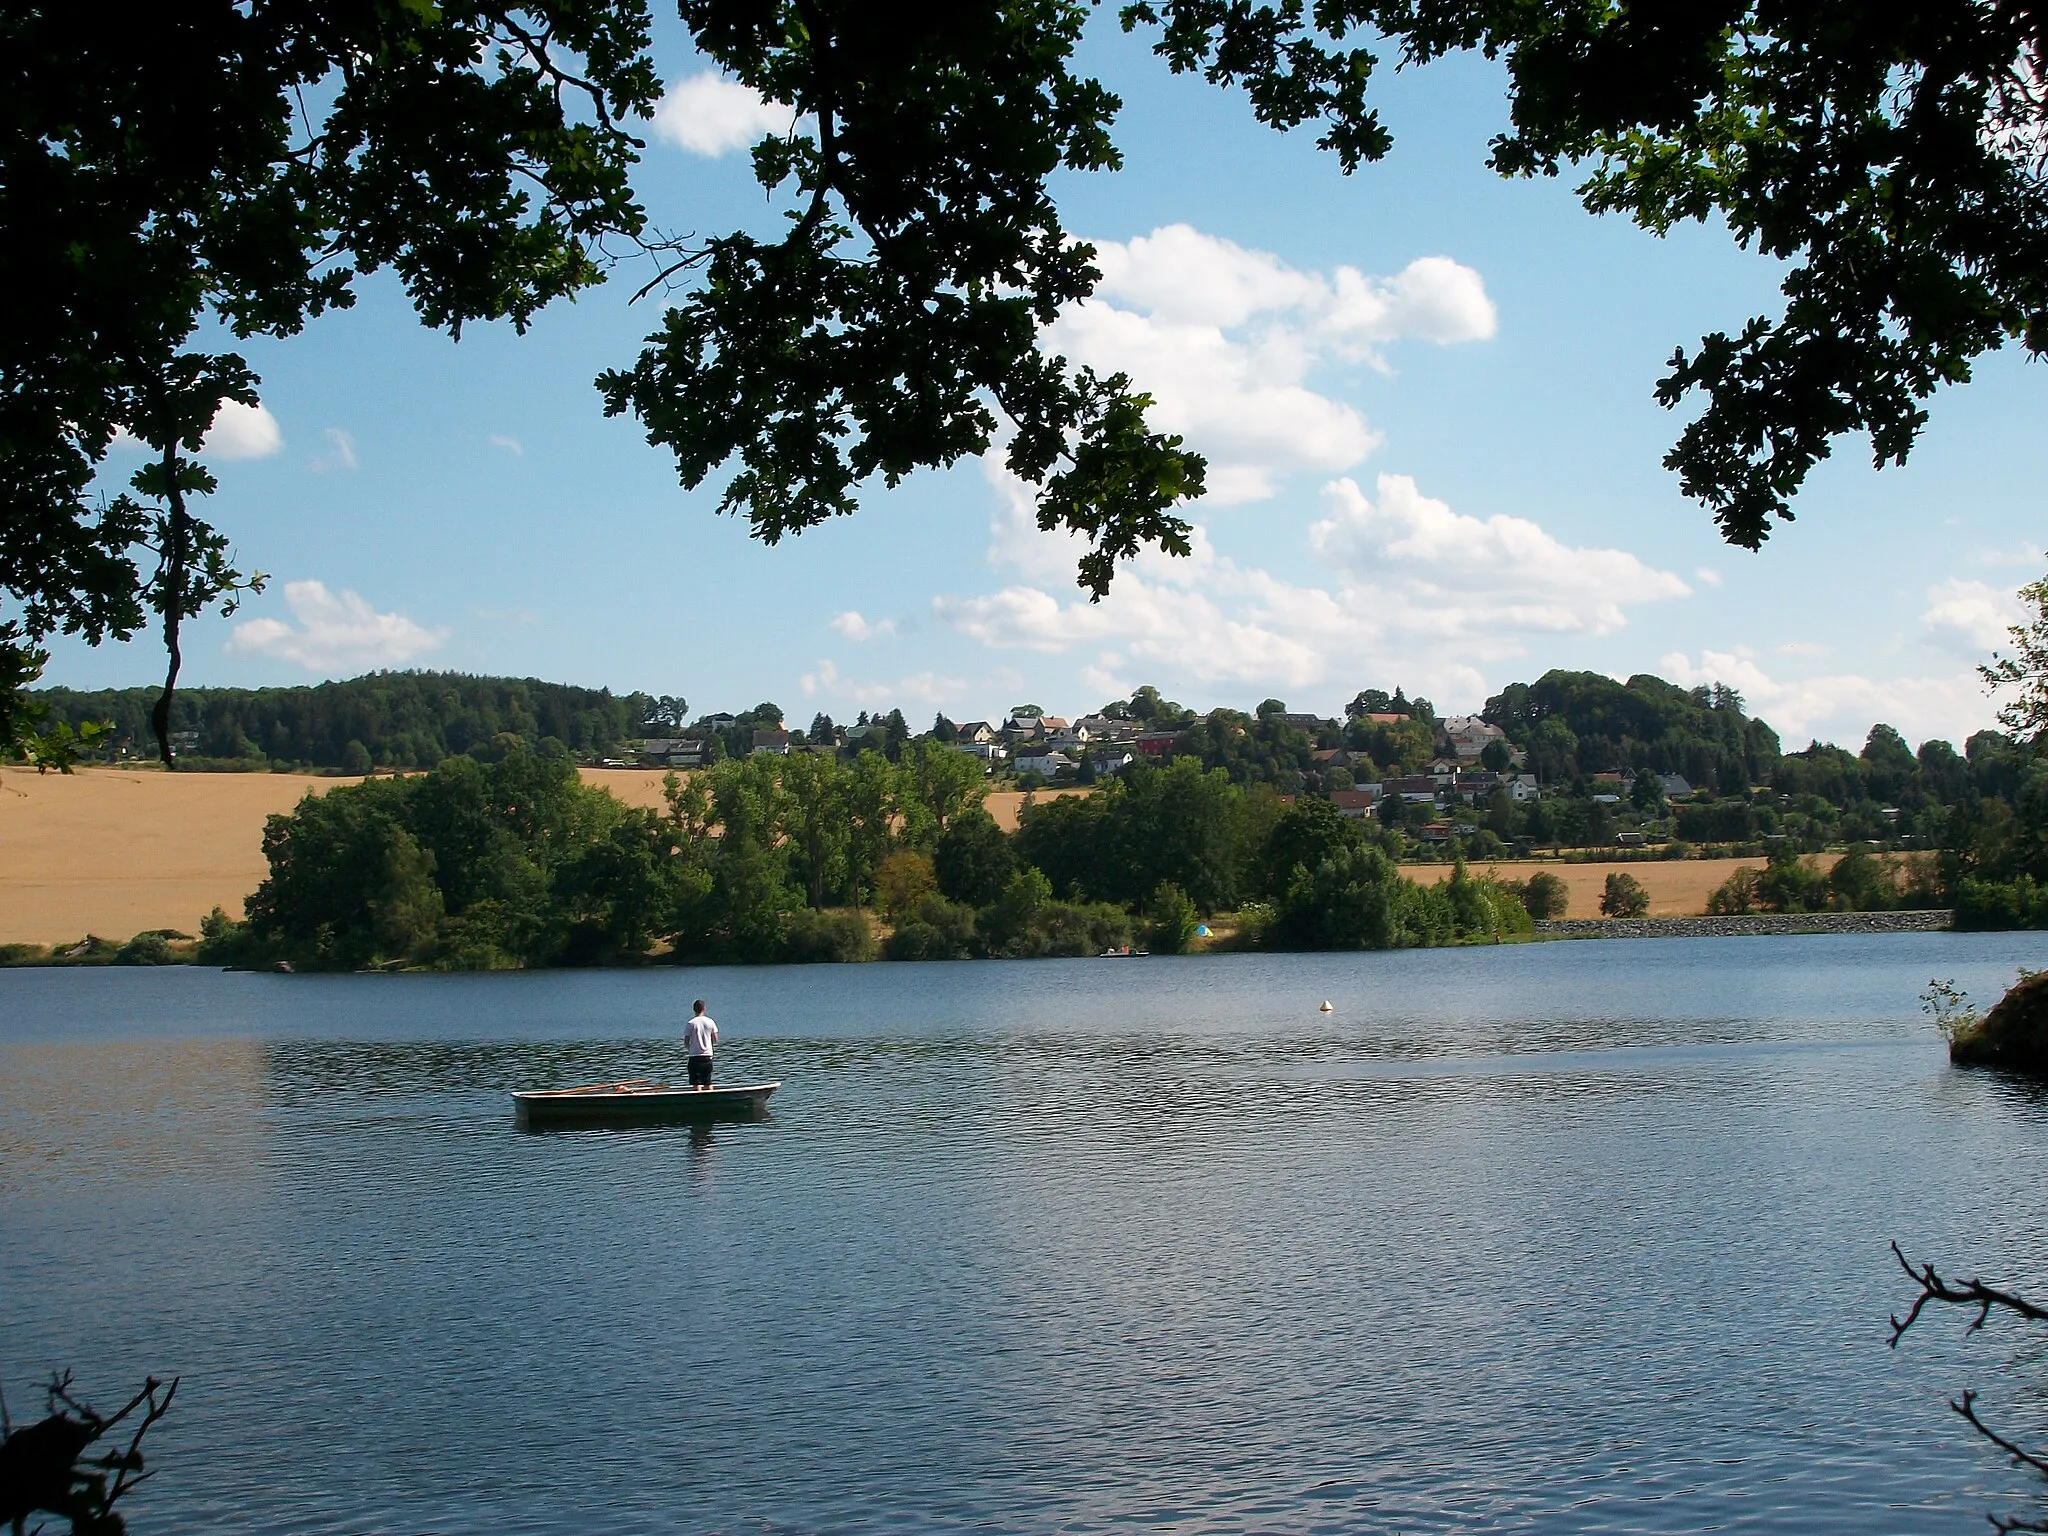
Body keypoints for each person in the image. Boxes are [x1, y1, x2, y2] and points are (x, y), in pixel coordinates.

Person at [684, 999, 719, 1090]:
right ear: (704, 1009)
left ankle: (697, 1100)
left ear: (694, 1009)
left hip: (694, 1056)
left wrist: (690, 1048)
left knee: (696, 1083)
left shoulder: (691, 1023)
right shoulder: (710, 1022)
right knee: (708, 1081)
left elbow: (686, 1041)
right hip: (707, 1056)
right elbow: (715, 1039)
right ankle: (711, 1100)